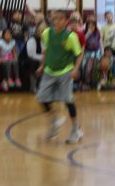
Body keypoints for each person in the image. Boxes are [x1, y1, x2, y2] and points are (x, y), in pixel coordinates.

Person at [36, 10, 84, 143]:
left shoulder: (70, 37)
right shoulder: (46, 33)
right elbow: (46, 50)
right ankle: (54, 121)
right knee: (42, 98)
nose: (56, 21)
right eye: (54, 19)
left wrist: (75, 69)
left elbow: (79, 54)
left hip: (65, 72)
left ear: (66, 21)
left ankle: (75, 129)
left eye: (60, 19)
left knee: (68, 100)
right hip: (49, 71)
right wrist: (42, 65)